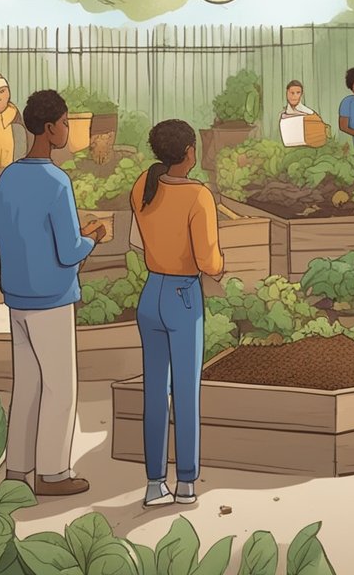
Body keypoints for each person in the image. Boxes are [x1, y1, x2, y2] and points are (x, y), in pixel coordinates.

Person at [0, 90, 106, 497]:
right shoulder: (56, 181)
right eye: (64, 123)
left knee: (27, 386)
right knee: (60, 387)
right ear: (48, 128)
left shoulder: (7, 177)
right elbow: (68, 250)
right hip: (52, 298)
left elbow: (4, 235)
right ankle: (53, 474)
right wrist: (92, 237)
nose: (67, 130)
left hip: (18, 297)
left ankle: (18, 470)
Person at [130, 120, 225, 507]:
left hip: (150, 292)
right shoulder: (198, 196)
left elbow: (138, 242)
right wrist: (223, 264)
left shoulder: (143, 185)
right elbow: (210, 262)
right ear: (189, 153)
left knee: (155, 392)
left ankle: (154, 484)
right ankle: (186, 482)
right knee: (185, 392)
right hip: (183, 296)